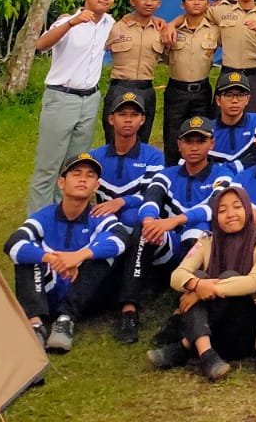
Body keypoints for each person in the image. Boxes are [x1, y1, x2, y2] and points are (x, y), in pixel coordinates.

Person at [146, 184, 256, 381]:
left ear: (248, 210)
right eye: (222, 210)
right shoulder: (207, 241)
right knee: (197, 276)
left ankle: (184, 347)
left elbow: (252, 283)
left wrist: (201, 291)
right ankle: (207, 355)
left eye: (237, 207)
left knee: (227, 276)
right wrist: (197, 285)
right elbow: (177, 276)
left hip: (242, 331)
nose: (230, 214)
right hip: (211, 332)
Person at [7, 151, 129, 354]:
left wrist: (79, 256)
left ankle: (66, 319)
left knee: (104, 256)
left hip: (87, 296)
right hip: (48, 290)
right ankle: (35, 325)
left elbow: (121, 239)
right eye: (76, 174)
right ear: (61, 182)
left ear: (96, 186)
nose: (83, 179)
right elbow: (13, 243)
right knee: (25, 256)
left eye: (90, 176)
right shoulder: (45, 216)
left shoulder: (99, 215)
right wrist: (50, 258)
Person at [26, 0, 119, 213]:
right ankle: (37, 221)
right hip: (61, 98)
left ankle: (64, 214)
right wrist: (71, 23)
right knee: (48, 165)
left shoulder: (109, 23)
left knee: (74, 164)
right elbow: (41, 45)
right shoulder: (68, 22)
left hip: (90, 99)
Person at [89, 91, 168, 343]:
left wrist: (121, 201)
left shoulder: (153, 156)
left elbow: (153, 194)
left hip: (140, 229)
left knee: (137, 220)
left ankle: (129, 309)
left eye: (134, 115)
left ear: (142, 120)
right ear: (110, 119)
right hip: (107, 228)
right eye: (122, 114)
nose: (128, 120)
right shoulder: (95, 157)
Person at [137, 116, 230, 271]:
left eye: (201, 141)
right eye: (188, 142)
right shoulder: (166, 174)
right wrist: (148, 222)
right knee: (144, 232)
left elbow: (214, 205)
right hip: (170, 242)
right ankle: (138, 284)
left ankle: (189, 281)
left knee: (198, 230)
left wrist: (175, 221)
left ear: (212, 144)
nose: (194, 148)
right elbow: (151, 198)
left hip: (203, 242)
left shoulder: (223, 174)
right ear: (179, 145)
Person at [103, 0, 168, 145]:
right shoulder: (115, 27)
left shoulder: (162, 30)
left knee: (141, 141)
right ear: (133, 1)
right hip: (119, 87)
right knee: (114, 140)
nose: (149, 3)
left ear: (159, 3)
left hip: (146, 90)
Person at [162, 0, 218, 162]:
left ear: (208, 4)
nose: (196, 2)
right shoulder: (170, 30)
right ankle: (172, 170)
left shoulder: (215, 30)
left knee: (200, 135)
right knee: (173, 136)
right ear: (182, 4)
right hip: (176, 90)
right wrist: (171, 24)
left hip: (202, 90)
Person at [210, 72, 256, 165]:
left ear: (247, 99)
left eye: (240, 95)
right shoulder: (207, 132)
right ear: (218, 100)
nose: (235, 100)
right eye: (228, 95)